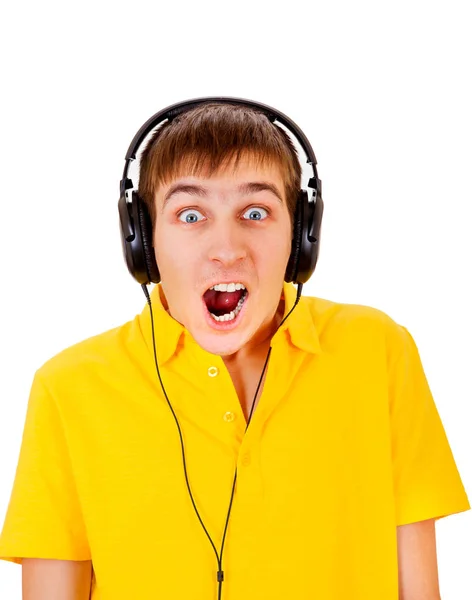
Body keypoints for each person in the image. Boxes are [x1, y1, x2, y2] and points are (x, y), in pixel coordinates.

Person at [0, 97, 469, 600]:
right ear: (142, 242)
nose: (226, 248)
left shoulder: (378, 351)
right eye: (190, 214)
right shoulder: (69, 389)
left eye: (255, 211)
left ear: (302, 238)